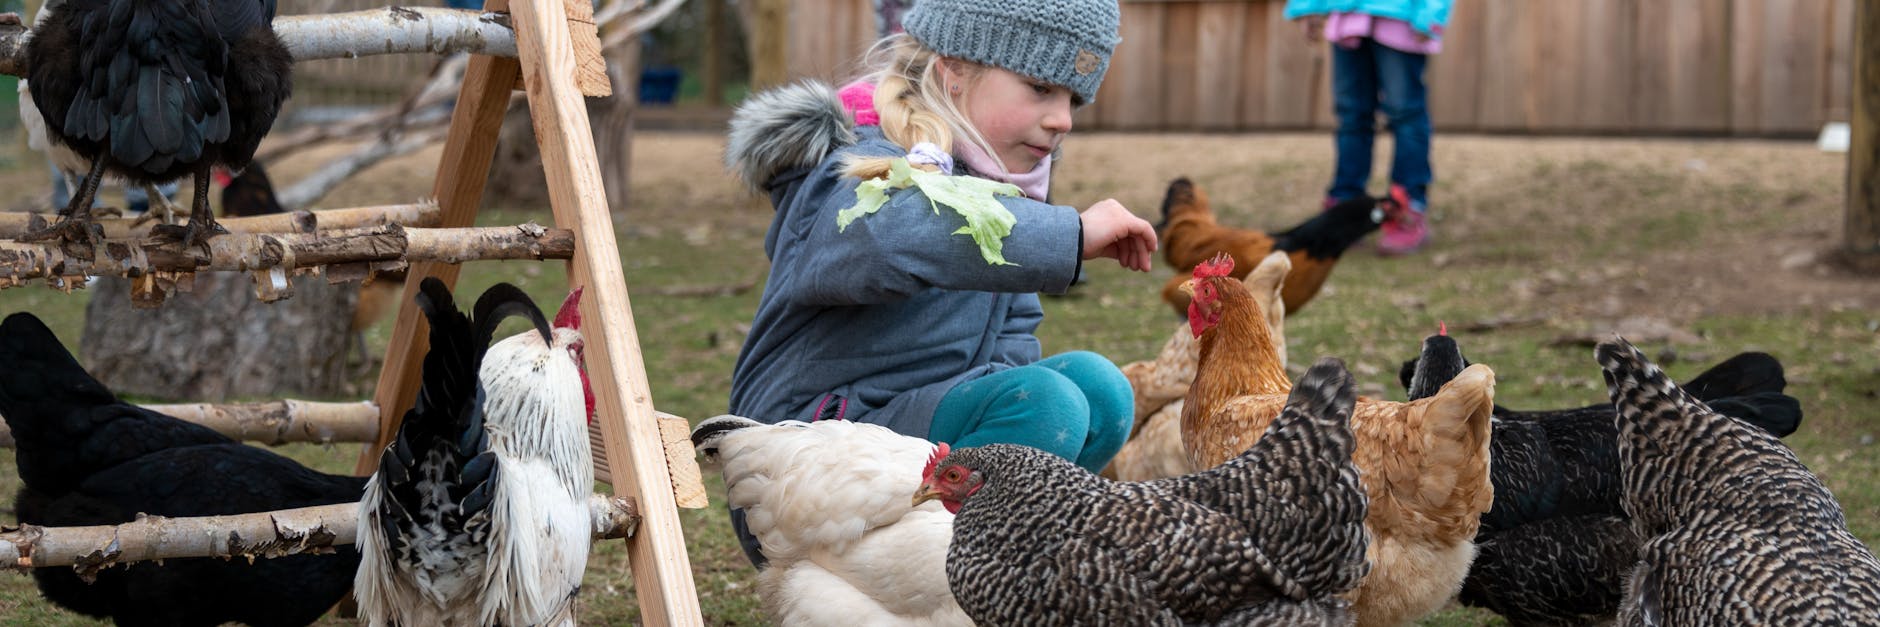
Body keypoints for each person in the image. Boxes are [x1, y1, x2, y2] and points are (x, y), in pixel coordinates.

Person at [723, 0, 1152, 563]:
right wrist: (1065, 236)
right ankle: (934, 579)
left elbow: (1014, 336)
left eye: (1073, 98)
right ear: (954, 70)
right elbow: (886, 239)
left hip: (922, 441)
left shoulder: (999, 187)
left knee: (1098, 388)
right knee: (1051, 405)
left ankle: (1000, 570)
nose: (1063, 118)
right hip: (806, 465)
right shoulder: (853, 161)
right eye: (1041, 88)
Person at [1286, 0, 1449, 255]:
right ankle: (1346, 210)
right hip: (1348, 16)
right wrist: (1307, 6)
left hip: (1402, 17)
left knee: (1405, 114)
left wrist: (1432, 12)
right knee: (1352, 116)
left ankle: (1406, 208)